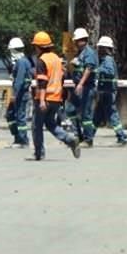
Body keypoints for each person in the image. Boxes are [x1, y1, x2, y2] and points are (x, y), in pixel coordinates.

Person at [31, 31, 80, 161]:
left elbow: (42, 82)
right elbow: (62, 78)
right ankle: (69, 139)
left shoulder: (42, 60)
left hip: (45, 98)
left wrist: (42, 100)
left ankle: (39, 153)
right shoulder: (56, 59)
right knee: (50, 124)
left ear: (39, 47)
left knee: (36, 126)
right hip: (56, 98)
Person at [65, 27, 98, 146]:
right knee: (70, 109)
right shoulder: (80, 53)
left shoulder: (89, 53)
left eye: (77, 41)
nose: (75, 43)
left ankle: (88, 139)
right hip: (78, 87)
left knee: (85, 114)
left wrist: (80, 84)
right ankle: (78, 135)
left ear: (83, 40)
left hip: (86, 87)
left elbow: (88, 69)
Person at [94, 36, 127, 146]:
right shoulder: (104, 59)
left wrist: (97, 70)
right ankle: (88, 136)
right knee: (97, 116)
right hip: (105, 91)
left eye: (100, 47)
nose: (98, 50)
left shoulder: (107, 60)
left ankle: (122, 137)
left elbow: (110, 72)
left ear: (105, 48)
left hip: (108, 92)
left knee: (112, 115)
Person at [5, 37, 33, 148]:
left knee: (20, 117)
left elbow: (19, 80)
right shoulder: (23, 61)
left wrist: (14, 94)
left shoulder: (21, 62)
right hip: (20, 93)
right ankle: (17, 138)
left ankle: (23, 140)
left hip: (20, 94)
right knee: (11, 114)